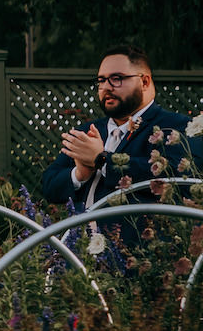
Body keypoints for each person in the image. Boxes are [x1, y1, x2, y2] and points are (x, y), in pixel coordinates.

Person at [38, 44, 192, 211]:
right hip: (78, 235)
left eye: (117, 78)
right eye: (101, 80)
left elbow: (176, 178)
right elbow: (48, 186)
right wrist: (79, 174)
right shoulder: (87, 132)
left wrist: (103, 160)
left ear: (145, 81)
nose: (106, 87)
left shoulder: (177, 127)